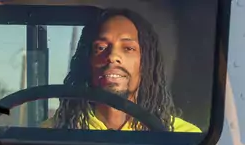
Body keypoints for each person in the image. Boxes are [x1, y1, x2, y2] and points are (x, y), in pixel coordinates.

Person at [41, 8, 201, 132]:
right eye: (101, 47)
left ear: (145, 63)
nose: (112, 56)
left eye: (128, 48)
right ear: (88, 61)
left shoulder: (184, 138)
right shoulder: (52, 132)